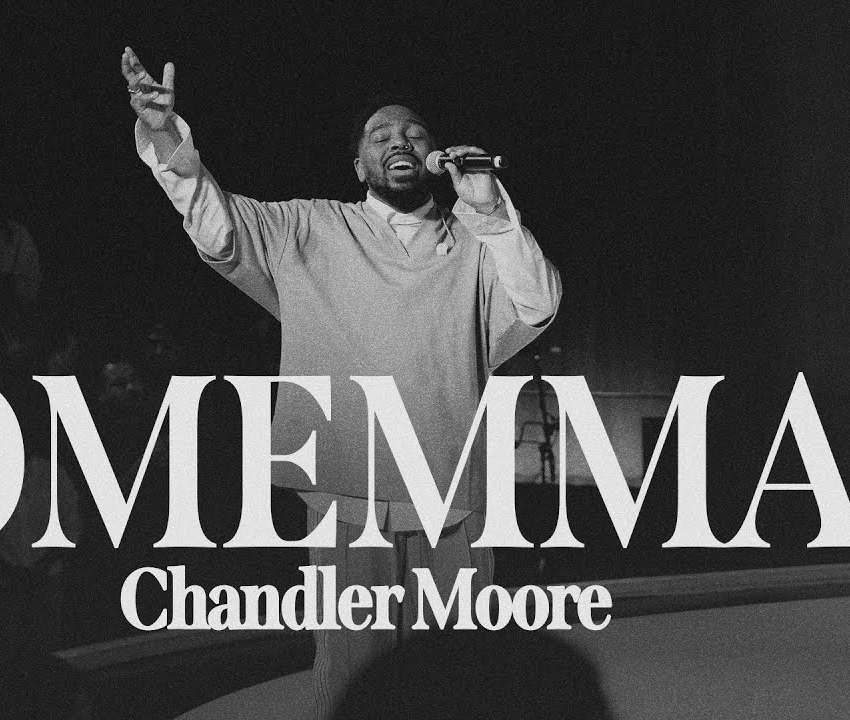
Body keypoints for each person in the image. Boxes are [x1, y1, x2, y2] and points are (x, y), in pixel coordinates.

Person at [121, 48, 562, 719]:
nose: (399, 142)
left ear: (438, 157)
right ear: (358, 165)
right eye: (380, 135)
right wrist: (165, 139)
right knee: (355, 673)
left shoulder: (479, 243)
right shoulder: (308, 226)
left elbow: (538, 303)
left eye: (414, 133)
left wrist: (491, 211)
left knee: (458, 672)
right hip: (347, 492)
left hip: (454, 491)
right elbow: (215, 224)